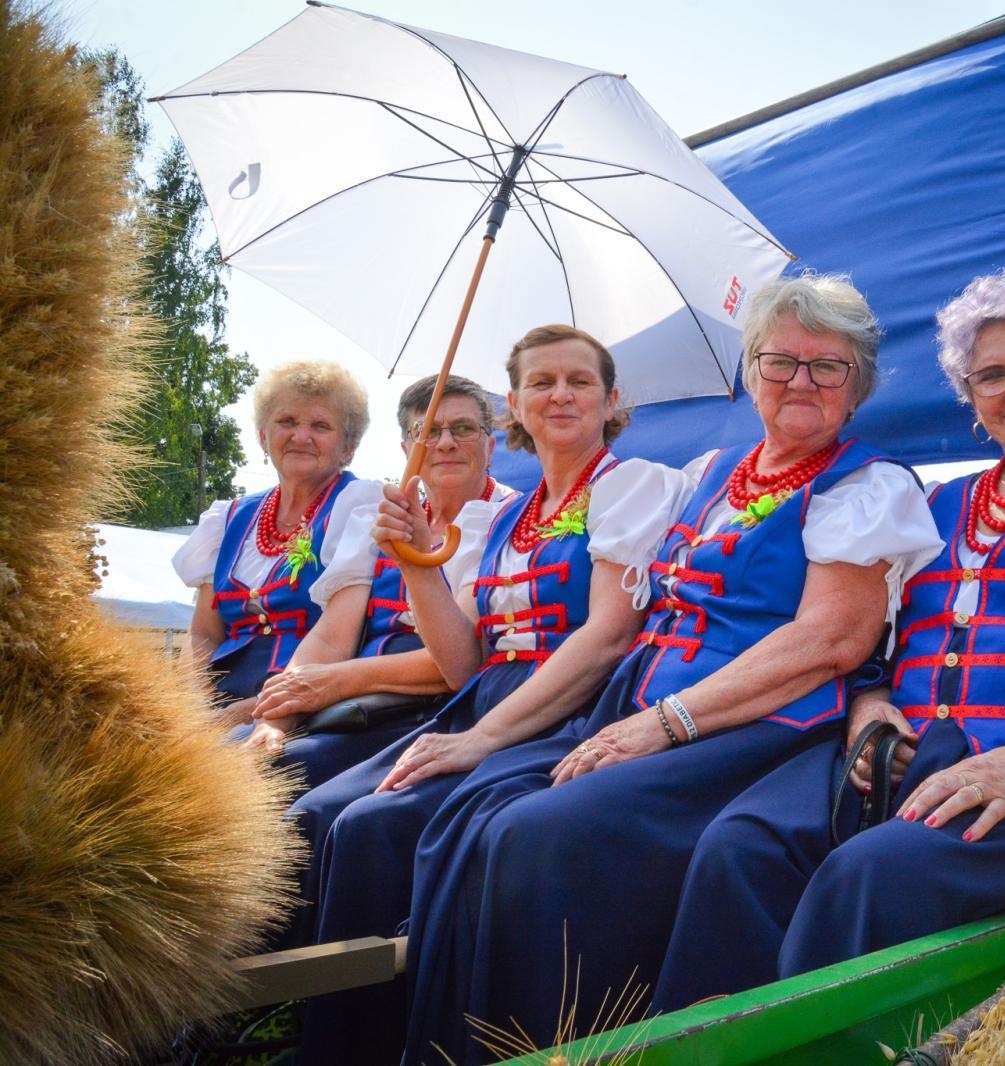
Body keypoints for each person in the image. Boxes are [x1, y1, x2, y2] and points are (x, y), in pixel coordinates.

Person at [400, 273, 942, 1064]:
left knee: (535, 836)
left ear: (855, 389)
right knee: (466, 812)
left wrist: (664, 723)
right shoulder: (711, 472)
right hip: (637, 703)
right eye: (781, 361)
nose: (801, 380)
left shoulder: (867, 485)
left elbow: (832, 640)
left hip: (754, 730)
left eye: (828, 367)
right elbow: (625, 609)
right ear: (750, 371)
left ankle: (563, 1053)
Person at [652, 265, 1005, 1009]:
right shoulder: (932, 506)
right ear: (971, 402)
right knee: (742, 846)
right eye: (991, 376)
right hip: (921, 763)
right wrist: (871, 706)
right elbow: (872, 647)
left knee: (871, 877)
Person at [288, 326, 683, 1066]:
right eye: (541, 383)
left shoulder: (633, 485)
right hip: (484, 695)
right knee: (325, 816)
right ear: (517, 407)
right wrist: (416, 564)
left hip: (564, 707)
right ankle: (340, 1038)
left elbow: (605, 638)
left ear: (612, 400)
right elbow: (464, 656)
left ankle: (412, 1042)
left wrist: (482, 740)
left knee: (378, 827)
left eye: (578, 381)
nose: (559, 395)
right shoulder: (505, 516)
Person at [232, 373, 515, 792]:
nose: (446, 443)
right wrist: (274, 719)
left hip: (435, 713)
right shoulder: (375, 518)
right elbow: (331, 638)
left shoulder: (507, 520)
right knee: (227, 757)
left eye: (464, 429)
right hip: (349, 709)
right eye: (427, 431)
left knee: (281, 783)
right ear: (407, 450)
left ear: (490, 446)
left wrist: (332, 683)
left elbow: (459, 662)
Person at [173, 360, 381, 725]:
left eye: (320, 426)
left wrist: (242, 715)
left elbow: (337, 642)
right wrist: (190, 709)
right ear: (262, 437)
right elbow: (203, 634)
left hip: (306, 706)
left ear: (347, 447)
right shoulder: (229, 518)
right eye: (287, 422)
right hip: (214, 706)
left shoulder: (358, 509)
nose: (301, 436)